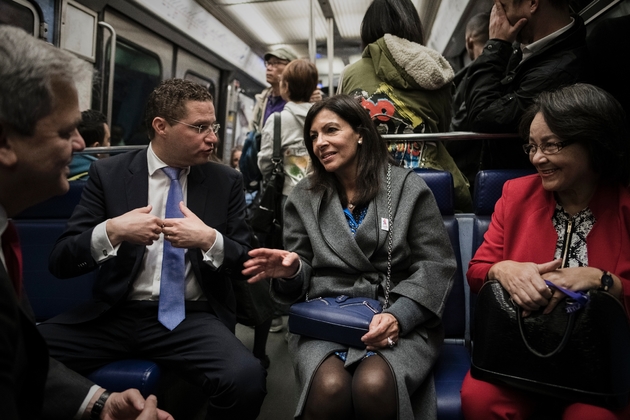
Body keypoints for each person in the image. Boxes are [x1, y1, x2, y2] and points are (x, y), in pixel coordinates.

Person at [38, 78, 267, 419]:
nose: (214, 138)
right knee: (14, 350)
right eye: (200, 127)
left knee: (246, 379)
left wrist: (209, 240)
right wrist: (112, 231)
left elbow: (246, 263)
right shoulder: (110, 174)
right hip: (115, 313)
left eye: (213, 126)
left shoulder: (225, 181)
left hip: (190, 317)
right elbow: (61, 260)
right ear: (161, 127)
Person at [243, 95, 457, 419]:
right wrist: (290, 272)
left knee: (374, 384)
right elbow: (302, 273)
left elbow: (435, 264)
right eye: (313, 136)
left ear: (360, 133)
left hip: (397, 311)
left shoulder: (406, 188)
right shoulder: (303, 196)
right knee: (329, 386)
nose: (320, 143)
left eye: (331, 130)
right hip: (327, 315)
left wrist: (400, 315)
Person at [0, 25, 172, 420]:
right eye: (66, 131)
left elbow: (20, 360)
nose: (81, 145)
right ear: (4, 142)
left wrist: (97, 403)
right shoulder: (108, 179)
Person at [462, 83, 630, 419]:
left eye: (551, 145)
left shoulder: (624, 204)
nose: (537, 158)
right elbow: (478, 270)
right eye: (533, 146)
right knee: (478, 398)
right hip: (521, 352)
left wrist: (602, 280)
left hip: (600, 364)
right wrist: (503, 269)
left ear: (593, 142)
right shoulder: (515, 196)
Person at [338, 0, 472, 212]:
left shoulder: (350, 74)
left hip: (366, 180)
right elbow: (443, 131)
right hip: (429, 183)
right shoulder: (437, 70)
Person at [454, 0, 588, 170]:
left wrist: (496, 44)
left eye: (503, 7)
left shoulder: (560, 70)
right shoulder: (525, 48)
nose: (497, 17)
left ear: (532, 3)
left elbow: (483, 117)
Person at [258, 58, 318, 199]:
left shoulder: (276, 120)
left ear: (285, 87)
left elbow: (265, 164)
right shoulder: (322, 118)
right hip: (319, 194)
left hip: (287, 195)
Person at [447, 12, 490, 193]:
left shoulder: (472, 78)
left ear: (469, 42)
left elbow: (457, 132)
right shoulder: (516, 68)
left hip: (471, 173)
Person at [69, 109, 111, 180]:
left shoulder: (55, 170)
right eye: (108, 140)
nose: (110, 145)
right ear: (97, 148)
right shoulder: (102, 179)